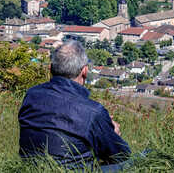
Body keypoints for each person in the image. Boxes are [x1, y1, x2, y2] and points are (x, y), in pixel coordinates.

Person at [18, 40, 132, 171]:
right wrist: (113, 133)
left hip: (31, 169)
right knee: (138, 161)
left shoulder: (31, 95)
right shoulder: (93, 111)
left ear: (50, 69)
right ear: (84, 71)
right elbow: (120, 155)